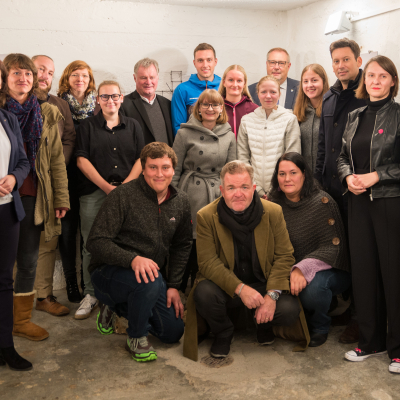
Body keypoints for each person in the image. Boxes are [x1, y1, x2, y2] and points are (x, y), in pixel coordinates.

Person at [183, 160, 309, 361]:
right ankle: (224, 331)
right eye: (231, 188)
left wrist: (272, 296)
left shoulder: (274, 212)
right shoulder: (206, 216)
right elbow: (207, 263)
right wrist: (240, 289)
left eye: (244, 187)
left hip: (262, 284)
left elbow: (285, 255)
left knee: (289, 309)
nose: (238, 193)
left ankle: (263, 323)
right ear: (222, 190)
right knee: (203, 293)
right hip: (228, 289)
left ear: (254, 188)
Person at [87, 142, 192, 362]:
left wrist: (173, 286)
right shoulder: (123, 196)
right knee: (148, 282)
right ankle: (135, 336)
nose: (159, 174)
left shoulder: (181, 201)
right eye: (153, 167)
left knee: (172, 332)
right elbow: (95, 242)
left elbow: (182, 245)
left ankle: (117, 308)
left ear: (174, 169)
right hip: (109, 272)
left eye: (165, 167)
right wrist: (132, 259)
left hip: (150, 276)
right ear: (143, 169)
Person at [337, 55, 400, 374]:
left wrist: (378, 175)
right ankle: (371, 341)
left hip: (389, 202)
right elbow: (342, 157)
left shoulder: (399, 115)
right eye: (371, 75)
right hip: (358, 201)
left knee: (393, 273)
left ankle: (398, 348)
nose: (375, 80)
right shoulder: (356, 114)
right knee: (364, 272)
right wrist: (349, 176)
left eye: (382, 76)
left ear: (392, 81)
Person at [1, 53, 69, 342]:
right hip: (3, 195)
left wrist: (61, 198)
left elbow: (55, 160)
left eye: (28, 74)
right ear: (5, 78)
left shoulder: (47, 113)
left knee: (27, 259)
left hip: (32, 195)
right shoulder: (3, 111)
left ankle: (21, 320)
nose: (23, 79)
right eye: (16, 73)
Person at [74, 80, 144, 320]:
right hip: (94, 193)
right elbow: (81, 159)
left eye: (114, 96)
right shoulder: (87, 127)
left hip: (128, 193)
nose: (110, 101)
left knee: (124, 243)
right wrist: (106, 187)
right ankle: (92, 294)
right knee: (90, 243)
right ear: (98, 100)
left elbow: (141, 159)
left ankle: (118, 294)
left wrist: (123, 188)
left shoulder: (133, 126)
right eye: (105, 97)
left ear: (121, 98)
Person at [270, 152, 351, 347]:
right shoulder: (273, 202)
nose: (287, 179)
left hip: (330, 270)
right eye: (282, 174)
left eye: (293, 172)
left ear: (304, 174)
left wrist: (303, 268)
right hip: (289, 268)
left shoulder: (322, 202)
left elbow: (335, 248)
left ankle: (320, 326)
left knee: (313, 290)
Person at [315, 38, 366, 344]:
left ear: (358, 61)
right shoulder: (330, 99)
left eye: (346, 59)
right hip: (331, 190)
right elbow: (324, 146)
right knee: (341, 252)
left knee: (361, 256)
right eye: (336, 61)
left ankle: (363, 316)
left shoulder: (366, 96)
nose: (341, 65)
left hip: (357, 190)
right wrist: (320, 183)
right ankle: (348, 306)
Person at [172, 89, 236, 293]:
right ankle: (179, 291)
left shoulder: (229, 134)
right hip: (190, 192)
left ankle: (204, 291)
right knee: (187, 243)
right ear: (198, 108)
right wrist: (171, 198)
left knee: (211, 243)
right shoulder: (183, 133)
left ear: (220, 109)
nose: (210, 108)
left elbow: (232, 171)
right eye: (205, 104)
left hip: (217, 194)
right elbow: (174, 168)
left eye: (215, 105)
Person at [32, 55, 79, 316]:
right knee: (17, 242)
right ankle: (19, 298)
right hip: (20, 183)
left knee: (47, 241)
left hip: (50, 181)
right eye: (40, 70)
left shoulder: (59, 104)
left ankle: (44, 296)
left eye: (50, 72)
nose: (44, 76)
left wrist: (56, 164)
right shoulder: (10, 103)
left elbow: (69, 137)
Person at [57, 60, 99, 302]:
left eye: (84, 75)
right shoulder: (58, 103)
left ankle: (87, 283)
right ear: (67, 78)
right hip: (65, 173)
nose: (80, 79)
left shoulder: (98, 106)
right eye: (75, 75)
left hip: (90, 175)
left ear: (90, 79)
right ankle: (71, 282)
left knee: (87, 231)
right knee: (67, 230)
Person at [0, 60, 32, 371]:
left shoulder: (7, 117)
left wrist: (13, 178)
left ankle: (6, 346)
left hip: (7, 209)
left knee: (4, 281)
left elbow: (22, 160)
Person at [237, 75, 301, 198]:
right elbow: (243, 158)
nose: (268, 96)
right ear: (257, 94)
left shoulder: (289, 119)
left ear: (279, 94)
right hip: (253, 191)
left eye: (273, 92)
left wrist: (275, 188)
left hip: (281, 190)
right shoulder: (246, 121)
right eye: (264, 92)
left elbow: (293, 157)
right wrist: (257, 188)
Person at [120, 58, 173, 146]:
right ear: (134, 78)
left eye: (152, 77)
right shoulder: (123, 105)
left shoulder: (167, 104)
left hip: (167, 158)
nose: (148, 82)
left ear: (158, 78)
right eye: (143, 78)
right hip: (140, 159)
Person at [171, 43, 221, 135]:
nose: (205, 65)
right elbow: (179, 127)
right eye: (200, 60)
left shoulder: (224, 87)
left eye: (209, 60)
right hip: (193, 146)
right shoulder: (182, 90)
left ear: (215, 62)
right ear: (194, 63)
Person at [293, 64, 329, 173]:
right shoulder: (298, 113)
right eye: (305, 81)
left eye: (314, 80)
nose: (309, 85)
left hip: (326, 175)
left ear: (323, 81)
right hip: (304, 177)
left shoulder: (331, 110)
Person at [218, 65, 258, 138]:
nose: (235, 84)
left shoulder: (255, 110)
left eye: (239, 81)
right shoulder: (215, 108)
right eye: (231, 80)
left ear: (244, 84)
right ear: (224, 82)